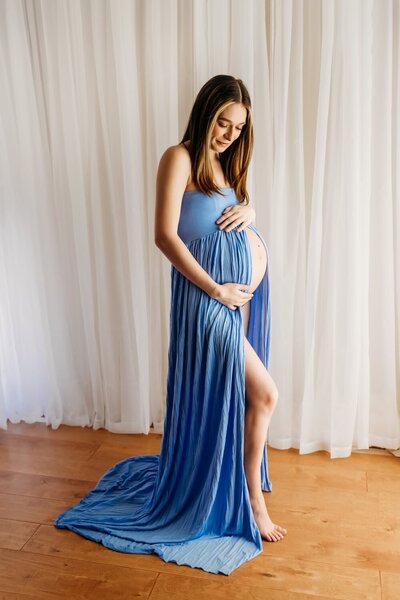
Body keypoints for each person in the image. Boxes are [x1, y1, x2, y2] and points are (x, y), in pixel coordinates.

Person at [53, 74, 286, 576]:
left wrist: (250, 209)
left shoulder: (227, 167)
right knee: (264, 394)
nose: (228, 133)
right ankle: (250, 501)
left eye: (238, 127)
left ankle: (233, 485)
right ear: (205, 113)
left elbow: (228, 216)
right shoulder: (177, 157)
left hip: (230, 304)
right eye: (223, 122)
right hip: (206, 301)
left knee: (252, 395)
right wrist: (218, 290)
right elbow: (165, 236)